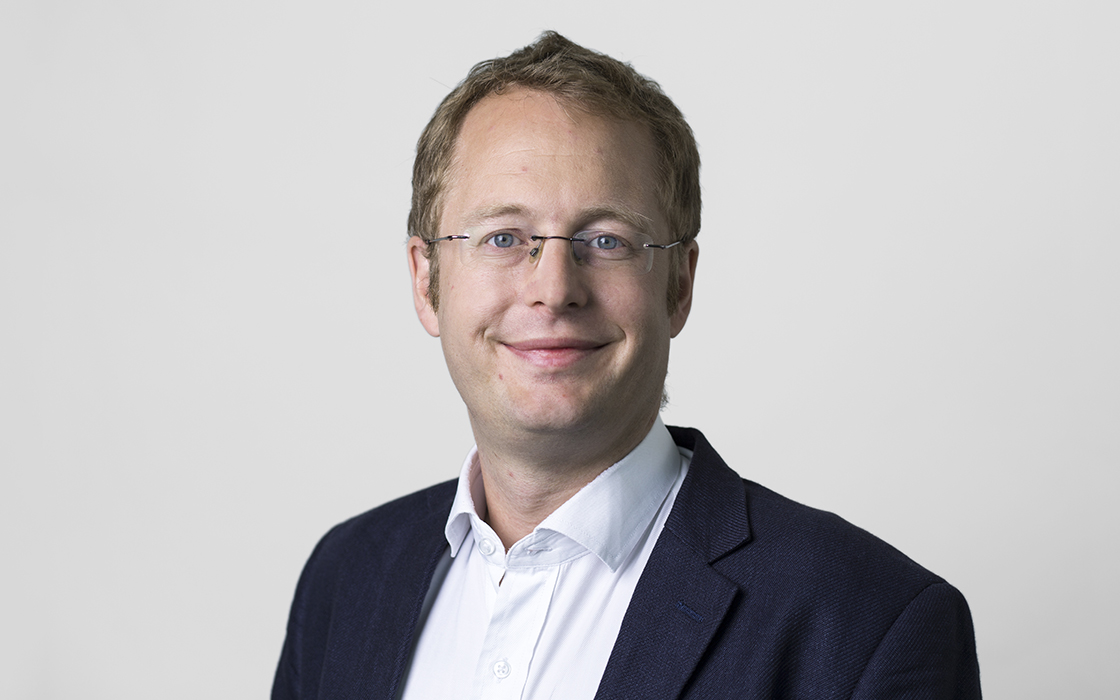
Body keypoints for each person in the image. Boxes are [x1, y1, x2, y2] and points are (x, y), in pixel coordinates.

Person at [272, 31, 981, 699]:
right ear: (426, 280)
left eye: (607, 240)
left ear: (679, 285)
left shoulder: (869, 623)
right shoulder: (344, 579)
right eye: (504, 237)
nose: (554, 288)